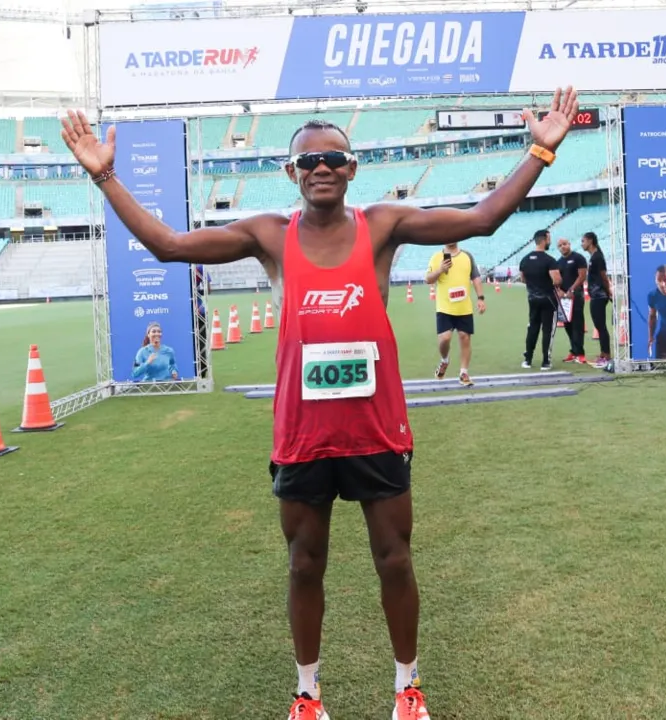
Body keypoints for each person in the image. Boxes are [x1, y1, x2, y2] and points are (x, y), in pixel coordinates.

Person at [60, 87, 581, 720]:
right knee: (304, 565)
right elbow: (169, 246)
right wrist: (107, 177)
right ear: (291, 174)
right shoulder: (269, 236)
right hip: (303, 435)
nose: (322, 169)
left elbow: (482, 220)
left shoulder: (383, 225)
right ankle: (307, 695)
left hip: (376, 430)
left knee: (395, 559)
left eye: (334, 158)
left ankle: (407, 688)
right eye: (308, 162)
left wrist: (540, 151)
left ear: (352, 168)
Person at [425, 242, 486, 386]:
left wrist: (481, 298)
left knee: (465, 337)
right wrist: (440, 269)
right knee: (444, 339)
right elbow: (428, 279)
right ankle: (444, 360)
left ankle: (464, 372)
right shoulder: (436, 257)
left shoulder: (467, 256)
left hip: (464, 307)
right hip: (444, 307)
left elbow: (476, 278)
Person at [518, 229, 561, 370]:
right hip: (548, 299)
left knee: (532, 327)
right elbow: (556, 280)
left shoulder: (525, 260)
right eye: (549, 238)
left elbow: (523, 278)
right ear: (544, 240)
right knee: (548, 330)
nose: (550, 241)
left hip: (532, 299)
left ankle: (528, 360)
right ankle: (545, 361)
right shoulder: (549, 260)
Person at [582, 231, 613, 368]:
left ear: (590, 241)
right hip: (596, 295)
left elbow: (604, 277)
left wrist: (609, 293)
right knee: (599, 325)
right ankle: (603, 353)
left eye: (583, 241)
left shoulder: (597, 257)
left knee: (601, 326)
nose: (582, 244)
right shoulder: (593, 257)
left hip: (599, 296)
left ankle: (606, 355)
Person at [555, 237, 588, 364]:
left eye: (564, 244)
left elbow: (582, 276)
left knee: (577, 324)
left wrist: (571, 290)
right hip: (563, 298)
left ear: (569, 244)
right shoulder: (558, 262)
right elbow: (556, 280)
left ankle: (580, 353)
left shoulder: (578, 258)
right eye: (559, 245)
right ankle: (573, 351)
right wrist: (560, 291)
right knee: (567, 324)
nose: (562, 247)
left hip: (576, 295)